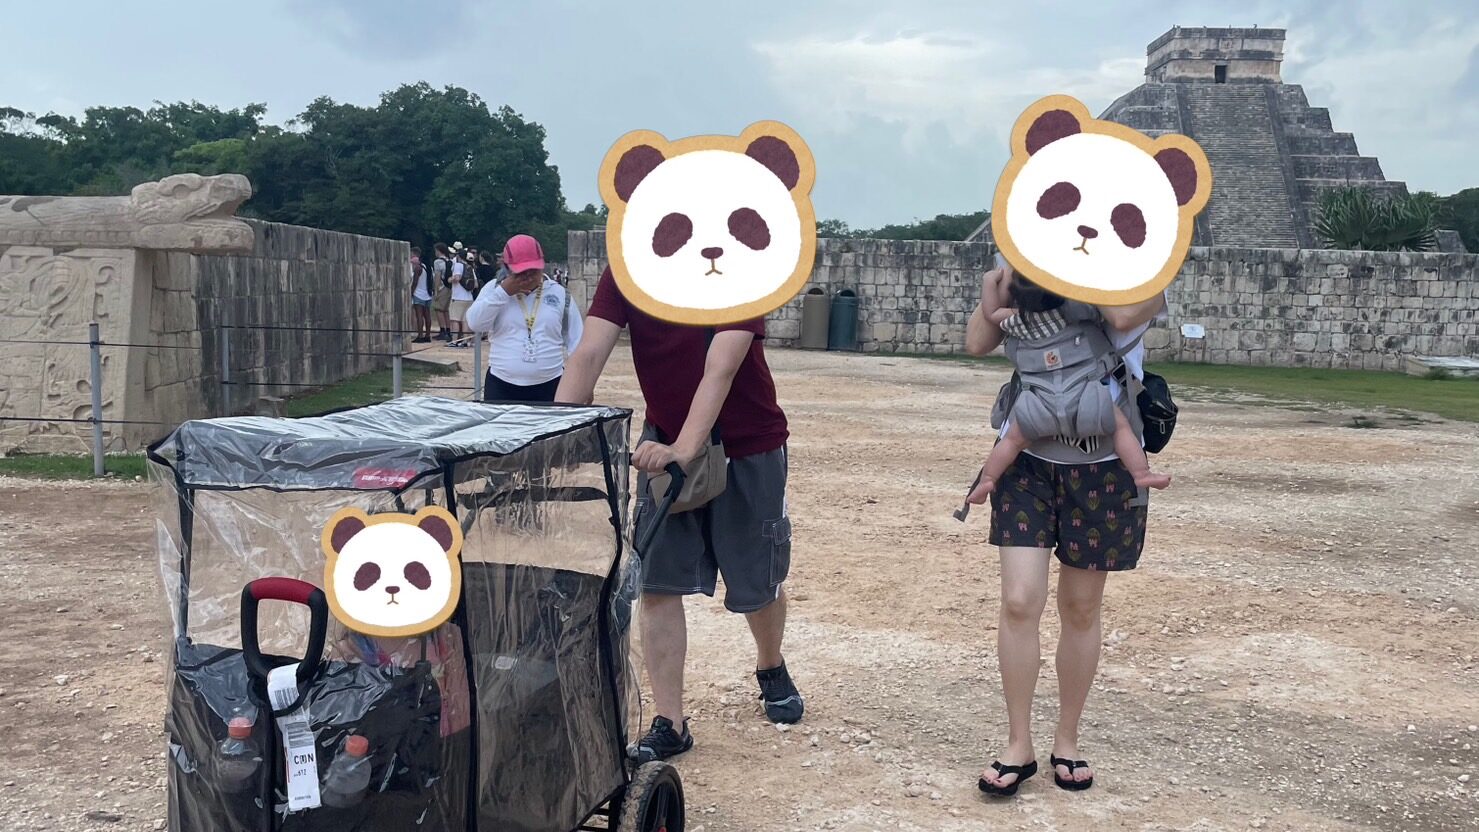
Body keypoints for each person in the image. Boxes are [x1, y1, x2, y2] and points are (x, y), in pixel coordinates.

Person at [556, 265, 804, 765]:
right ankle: (670, 722)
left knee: (757, 584)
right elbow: (588, 352)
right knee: (658, 584)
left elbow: (722, 366)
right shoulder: (627, 267)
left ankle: (770, 663)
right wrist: (553, 438)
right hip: (666, 439)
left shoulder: (740, 267)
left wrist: (683, 447)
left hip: (747, 446)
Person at [965, 258, 1166, 797]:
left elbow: (1124, 315)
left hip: (1102, 465)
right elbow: (978, 340)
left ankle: (1068, 739)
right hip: (1027, 458)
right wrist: (1010, 272)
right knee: (1018, 600)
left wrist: (1082, 265)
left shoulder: (1137, 270)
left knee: (1080, 607)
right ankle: (1017, 744)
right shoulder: (1022, 264)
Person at [969, 268, 1171, 497]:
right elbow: (1114, 316)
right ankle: (1141, 473)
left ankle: (987, 479)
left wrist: (989, 281)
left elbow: (991, 311)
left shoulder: (1017, 320)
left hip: (1039, 401)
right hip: (1084, 395)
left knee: (1013, 440)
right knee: (1120, 427)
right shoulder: (1075, 312)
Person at [464, 235, 580, 401]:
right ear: (507, 267)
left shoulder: (560, 294)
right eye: (521, 271)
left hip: (550, 384)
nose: (528, 276)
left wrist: (580, 383)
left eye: (534, 270)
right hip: (501, 384)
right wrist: (502, 293)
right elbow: (475, 323)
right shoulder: (494, 290)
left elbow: (576, 341)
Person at [448, 249, 477, 347]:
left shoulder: (458, 265)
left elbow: (457, 278)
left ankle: (454, 341)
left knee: (455, 319)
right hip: (469, 298)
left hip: (458, 297)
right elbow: (476, 284)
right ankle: (466, 341)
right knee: (465, 321)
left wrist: (449, 279)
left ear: (458, 256)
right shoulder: (470, 267)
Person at [409, 247, 434, 343]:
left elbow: (415, 282)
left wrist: (411, 292)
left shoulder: (418, 268)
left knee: (419, 315)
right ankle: (427, 335)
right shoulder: (430, 268)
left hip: (418, 294)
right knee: (427, 315)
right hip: (428, 294)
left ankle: (420, 335)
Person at [431, 243, 455, 341]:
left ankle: (442, 330)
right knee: (446, 310)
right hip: (450, 287)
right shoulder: (450, 261)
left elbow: (437, 277)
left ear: (439, 250)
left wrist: (436, 291)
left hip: (442, 287)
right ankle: (448, 331)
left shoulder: (437, 262)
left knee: (438, 309)